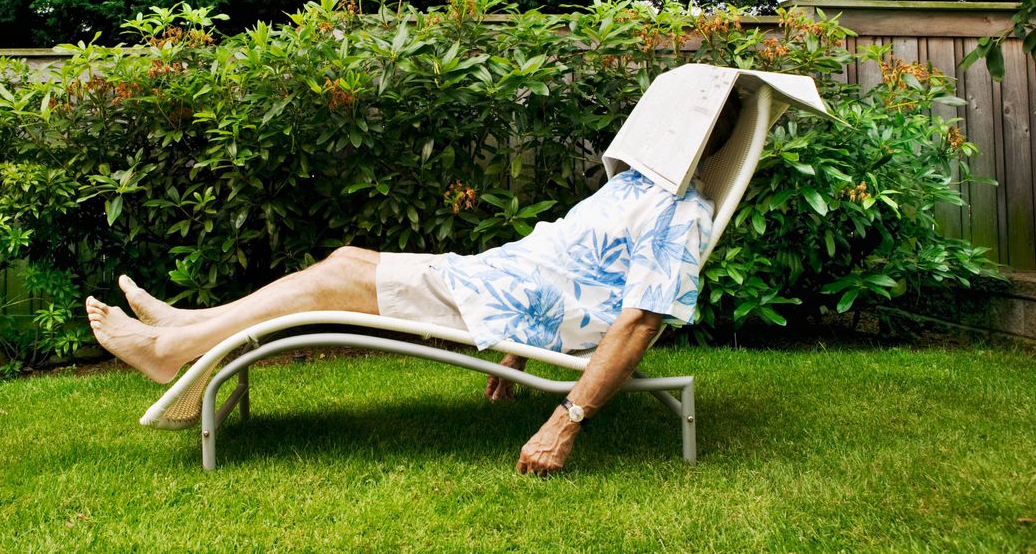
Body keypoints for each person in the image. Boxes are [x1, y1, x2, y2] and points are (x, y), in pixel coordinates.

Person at [87, 91, 741, 475]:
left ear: (696, 136)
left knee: (339, 272)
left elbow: (639, 320)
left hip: (504, 294)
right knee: (344, 259)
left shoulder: (677, 214)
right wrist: (517, 348)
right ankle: (184, 326)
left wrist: (564, 420)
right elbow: (568, 265)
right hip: (503, 283)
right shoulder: (639, 184)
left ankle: (175, 348)